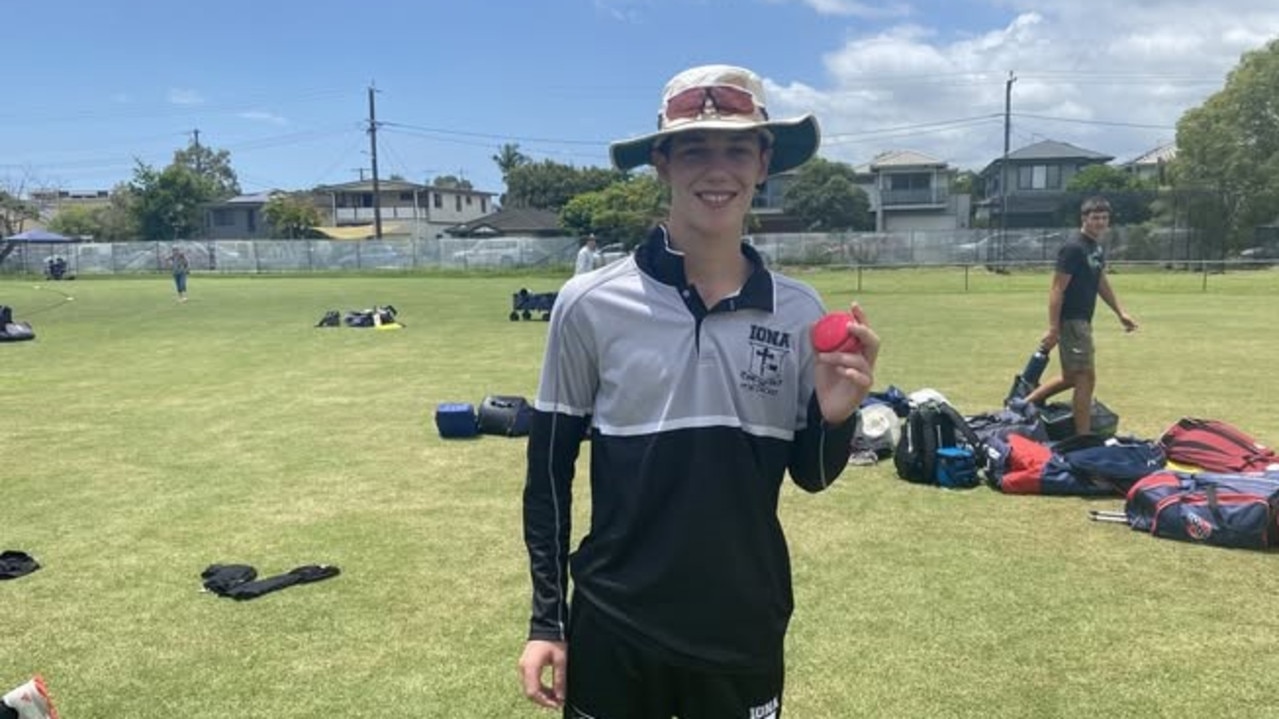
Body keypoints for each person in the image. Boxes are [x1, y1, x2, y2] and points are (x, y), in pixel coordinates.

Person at [518, 64, 880, 718]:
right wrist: (547, 623)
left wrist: (833, 417)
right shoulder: (588, 303)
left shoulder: (799, 311)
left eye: (737, 148)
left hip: (742, 624)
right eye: (694, 148)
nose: (717, 169)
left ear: (764, 161)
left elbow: (811, 476)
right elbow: (547, 473)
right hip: (613, 623)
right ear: (661, 162)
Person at [1015, 196, 1138, 434]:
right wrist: (1053, 327)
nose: (1100, 222)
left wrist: (1120, 312)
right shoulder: (1074, 247)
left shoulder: (1095, 247)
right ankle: (1084, 438)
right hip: (1072, 321)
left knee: (1071, 376)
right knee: (1085, 378)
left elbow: (1100, 280)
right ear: (1084, 218)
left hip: (1083, 321)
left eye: (1104, 218)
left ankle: (1022, 405)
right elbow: (1057, 288)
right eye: (1095, 218)